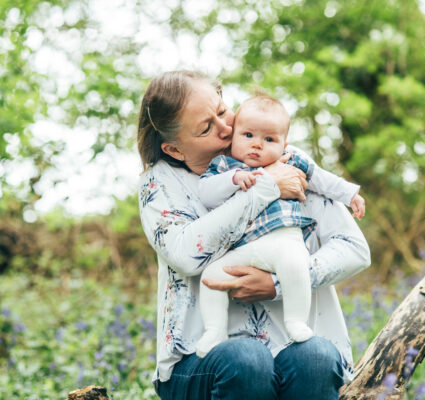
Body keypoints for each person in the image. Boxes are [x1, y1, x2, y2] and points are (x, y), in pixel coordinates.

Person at [137, 70, 371, 400]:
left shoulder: (284, 157)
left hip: (293, 350)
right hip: (199, 361)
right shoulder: (160, 184)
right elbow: (188, 254)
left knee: (317, 357)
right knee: (247, 360)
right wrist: (265, 188)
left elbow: (354, 249)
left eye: (222, 110)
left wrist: (278, 285)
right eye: (206, 128)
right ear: (174, 149)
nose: (226, 127)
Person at [195, 94, 366, 357]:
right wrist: (233, 179)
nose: (256, 145)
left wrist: (350, 194)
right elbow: (205, 193)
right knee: (212, 276)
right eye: (248, 135)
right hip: (247, 250)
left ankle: (295, 321)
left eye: (269, 140)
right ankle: (214, 331)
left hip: (285, 242)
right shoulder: (224, 165)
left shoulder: (291, 160)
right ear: (234, 136)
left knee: (295, 266)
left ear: (284, 143)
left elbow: (322, 179)